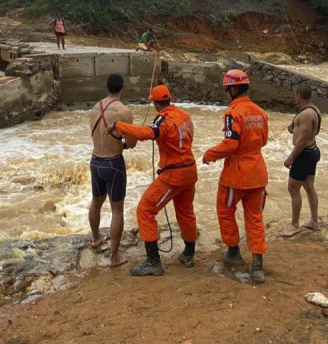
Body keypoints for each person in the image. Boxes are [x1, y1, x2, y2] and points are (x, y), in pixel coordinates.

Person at [112, 84, 198, 276]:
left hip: (174, 174)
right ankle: (189, 253)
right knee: (185, 212)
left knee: (145, 210)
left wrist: (119, 125)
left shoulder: (163, 119)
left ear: (156, 103)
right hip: (190, 170)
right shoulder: (184, 115)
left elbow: (149, 134)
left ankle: (153, 262)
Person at [202, 69, 270, 284]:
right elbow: (264, 140)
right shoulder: (260, 112)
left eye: (226, 90)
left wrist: (209, 155)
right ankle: (257, 264)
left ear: (232, 89)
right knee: (255, 217)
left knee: (225, 211)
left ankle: (233, 252)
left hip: (236, 176)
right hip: (258, 173)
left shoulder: (233, 113)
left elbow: (231, 143)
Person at [88, 74, 136, 267]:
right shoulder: (124, 111)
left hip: (95, 161)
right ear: (123, 87)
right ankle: (114, 257)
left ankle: (95, 239)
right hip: (113, 164)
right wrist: (124, 144)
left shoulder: (94, 108)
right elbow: (131, 143)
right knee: (117, 211)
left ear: (106, 87)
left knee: (96, 203)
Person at [280, 83, 321, 237]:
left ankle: (294, 225)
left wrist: (291, 157)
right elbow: (309, 131)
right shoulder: (313, 110)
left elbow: (303, 139)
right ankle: (314, 221)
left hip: (304, 154)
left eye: (295, 94)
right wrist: (294, 128)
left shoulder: (306, 114)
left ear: (299, 95)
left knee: (293, 189)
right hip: (312, 151)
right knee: (309, 186)